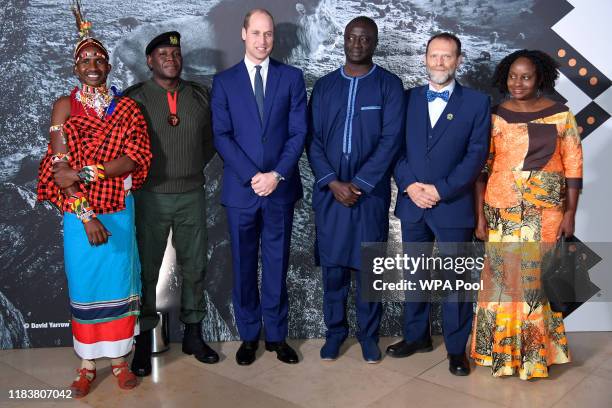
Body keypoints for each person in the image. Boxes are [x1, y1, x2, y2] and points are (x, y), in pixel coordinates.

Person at [36, 3, 151, 397]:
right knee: (86, 285)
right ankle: (86, 366)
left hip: (119, 210)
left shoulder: (129, 109)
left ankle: (120, 362)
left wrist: (89, 172)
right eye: (84, 59)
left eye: (99, 58)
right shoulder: (64, 107)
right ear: (75, 67)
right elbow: (59, 168)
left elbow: (134, 156)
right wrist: (87, 217)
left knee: (120, 281)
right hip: (80, 214)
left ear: (108, 65)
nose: (92, 64)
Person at [470, 49, 582, 380]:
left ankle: (533, 357)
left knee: (534, 284)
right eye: (512, 76)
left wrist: (571, 212)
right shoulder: (493, 115)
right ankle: (498, 355)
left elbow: (574, 166)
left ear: (540, 79)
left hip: (545, 210)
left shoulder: (561, 115)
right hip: (501, 209)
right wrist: (479, 216)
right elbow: (481, 171)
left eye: (526, 76)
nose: (518, 82)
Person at [389, 32, 490, 376]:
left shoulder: (477, 103)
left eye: (447, 57)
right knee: (414, 276)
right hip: (412, 203)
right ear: (425, 58)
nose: (440, 63)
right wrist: (410, 186)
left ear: (459, 60)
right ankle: (416, 336)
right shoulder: (406, 99)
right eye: (434, 56)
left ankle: (456, 349)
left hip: (452, 205)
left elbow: (475, 156)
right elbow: (395, 150)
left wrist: (440, 190)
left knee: (455, 282)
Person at [211, 9, 307, 365]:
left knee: (277, 263)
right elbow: (222, 135)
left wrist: (276, 174)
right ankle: (249, 336)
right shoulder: (224, 82)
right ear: (243, 34)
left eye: (268, 34)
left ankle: (278, 337)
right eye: (256, 33)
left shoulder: (292, 77)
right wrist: (254, 175)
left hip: (279, 189)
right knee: (243, 265)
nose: (263, 40)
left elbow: (298, 132)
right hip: (241, 191)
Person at [307, 16, 404, 363]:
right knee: (333, 268)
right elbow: (313, 140)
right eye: (353, 37)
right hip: (330, 193)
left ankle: (368, 337)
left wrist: (359, 184)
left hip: (370, 194)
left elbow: (391, 141)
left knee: (369, 268)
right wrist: (333, 182)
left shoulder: (389, 86)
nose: (358, 43)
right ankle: (335, 334)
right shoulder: (324, 86)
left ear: (374, 43)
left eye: (365, 38)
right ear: (344, 40)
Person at [124, 31, 219, 376]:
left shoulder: (198, 96)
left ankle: (194, 335)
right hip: (150, 196)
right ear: (150, 61)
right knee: (147, 271)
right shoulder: (133, 99)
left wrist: (189, 167)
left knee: (195, 266)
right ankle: (143, 342)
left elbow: (210, 141)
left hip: (191, 194)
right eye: (162, 54)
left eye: (176, 54)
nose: (171, 59)